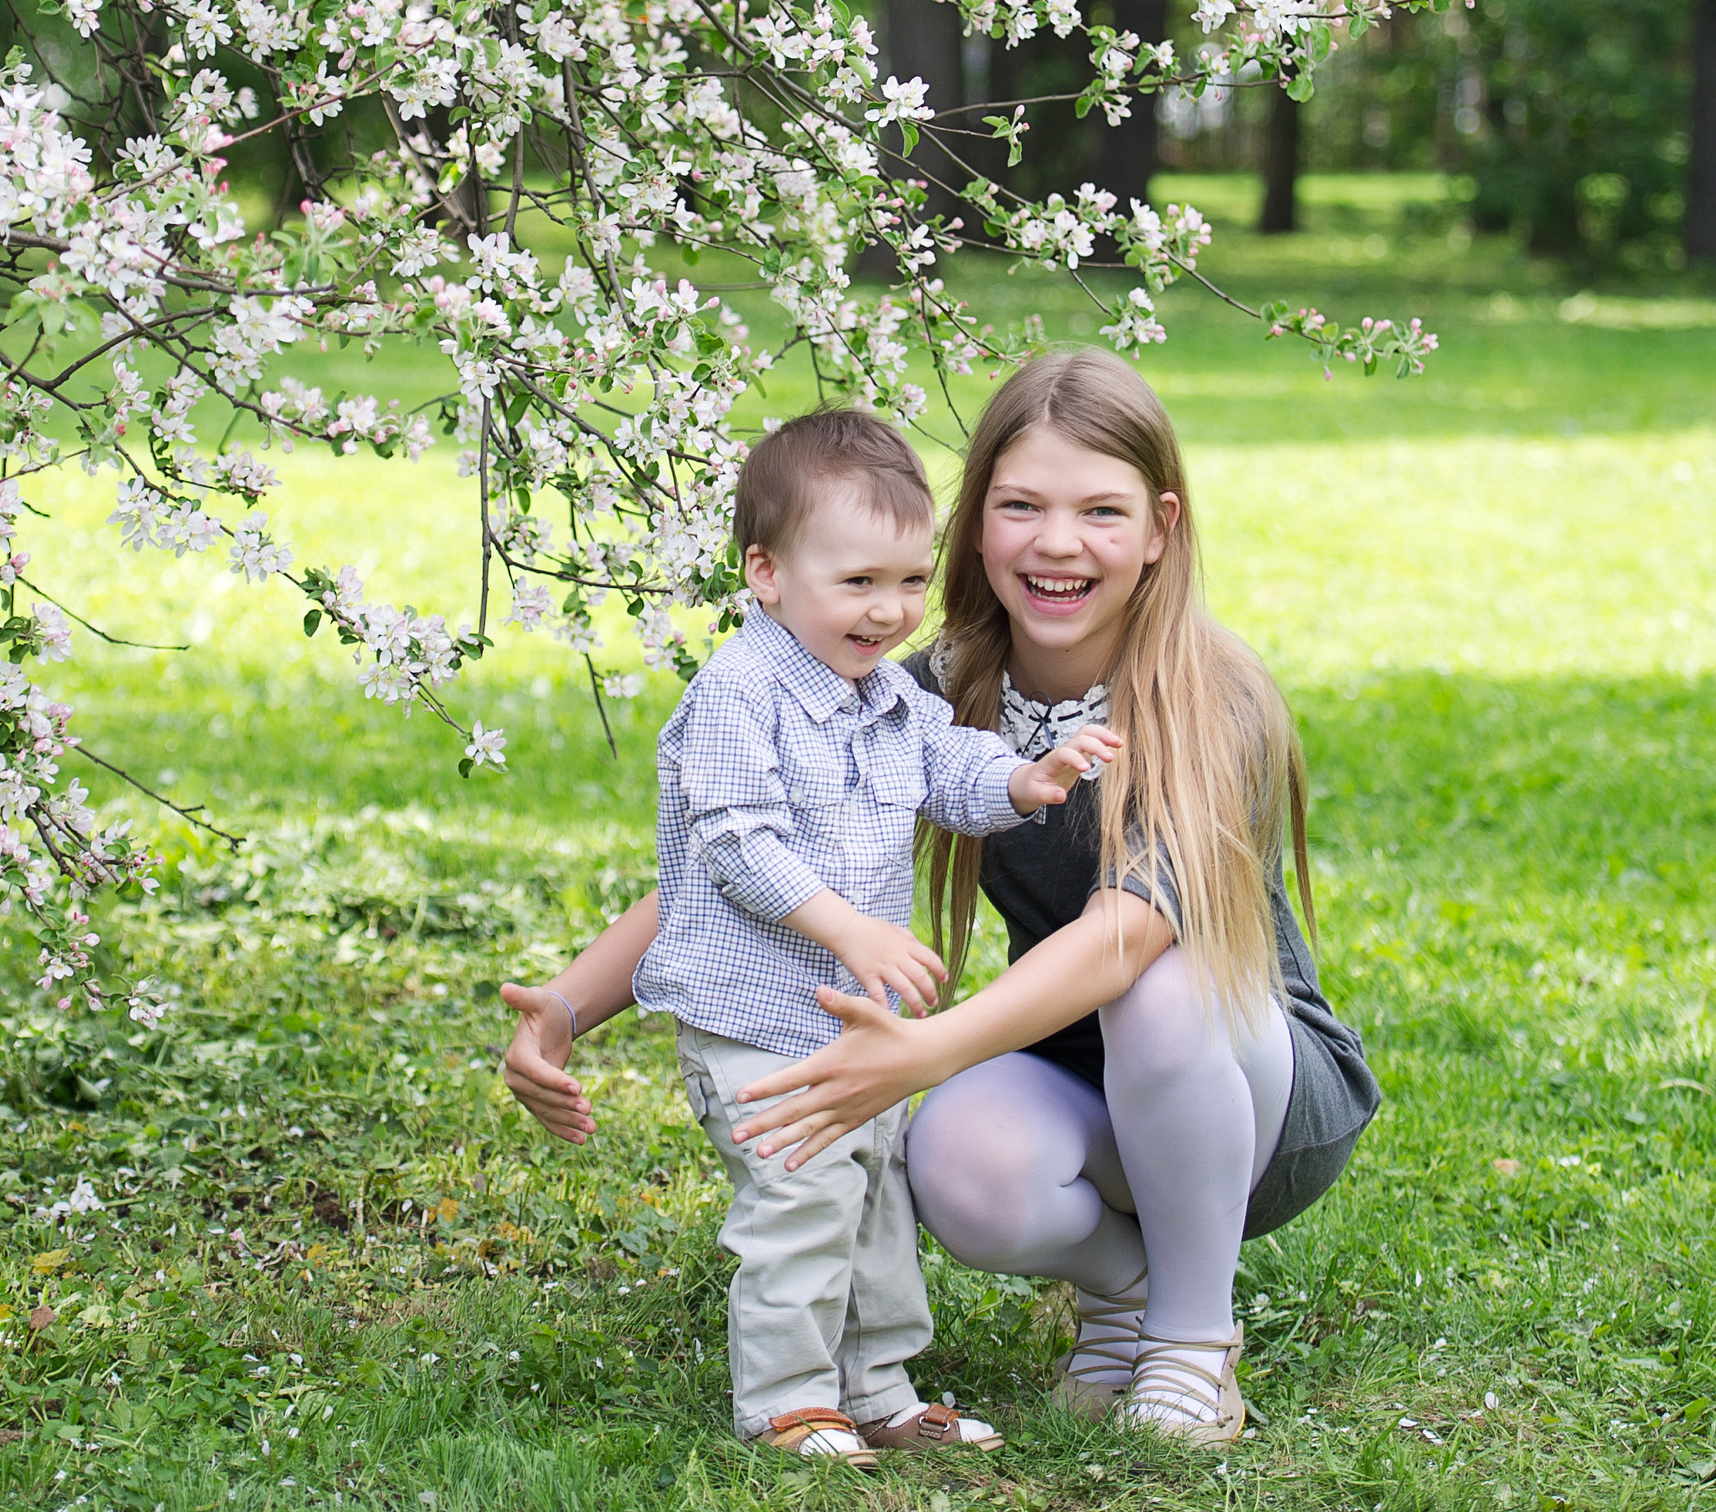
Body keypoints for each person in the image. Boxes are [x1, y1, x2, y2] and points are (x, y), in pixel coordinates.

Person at [501, 350, 1378, 1450]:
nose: (1058, 541)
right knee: (955, 1161)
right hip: (1079, 1074)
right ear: (973, 529)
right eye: (1020, 505)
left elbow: (1127, 937)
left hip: (1251, 1090)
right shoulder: (925, 687)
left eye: (1099, 510)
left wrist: (930, 1048)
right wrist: (566, 1007)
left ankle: (1192, 1346)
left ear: (1159, 526)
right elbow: (750, 858)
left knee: (1154, 989)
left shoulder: (1212, 695)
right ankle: (1124, 1299)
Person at [622, 408, 1119, 1468]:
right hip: (755, 1018)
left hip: (853, 1020)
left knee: (875, 1196)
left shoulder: (884, 692)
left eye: (907, 580)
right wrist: (848, 925)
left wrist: (1024, 779)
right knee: (803, 1195)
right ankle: (789, 1398)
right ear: (765, 570)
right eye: (857, 583)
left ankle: (878, 1385)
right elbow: (734, 839)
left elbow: (948, 765)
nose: (888, 610)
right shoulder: (738, 691)